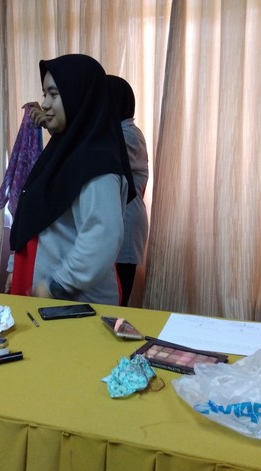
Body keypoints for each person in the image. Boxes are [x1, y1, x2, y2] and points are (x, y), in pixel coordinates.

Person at [9, 54, 135, 305]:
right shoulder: (64, 153)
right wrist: (17, 268)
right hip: (52, 302)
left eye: (54, 95)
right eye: (44, 94)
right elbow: (37, 219)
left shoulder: (96, 162)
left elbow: (102, 236)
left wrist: (57, 285)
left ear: (79, 97)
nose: (45, 104)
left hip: (75, 305)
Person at [106, 75, 149, 306]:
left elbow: (97, 153)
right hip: (121, 220)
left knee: (119, 295)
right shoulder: (117, 131)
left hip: (128, 222)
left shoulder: (128, 134)